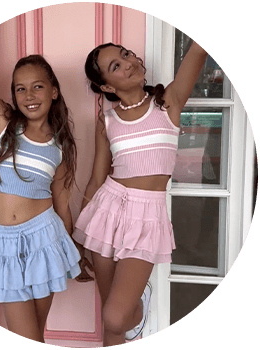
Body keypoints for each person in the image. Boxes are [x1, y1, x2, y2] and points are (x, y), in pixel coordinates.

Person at [73, 41, 208, 346]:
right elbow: (96, 181)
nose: (128, 62)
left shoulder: (168, 101)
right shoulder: (106, 121)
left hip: (147, 216)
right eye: (116, 66)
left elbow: (198, 52)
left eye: (125, 54)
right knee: (111, 325)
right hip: (107, 212)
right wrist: (78, 239)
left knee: (116, 316)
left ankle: (138, 307)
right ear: (106, 85)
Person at [0, 53, 92, 342]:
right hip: (2, 245)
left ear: (54, 91)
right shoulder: (2, 121)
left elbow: (62, 204)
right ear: (14, 95)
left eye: (38, 86)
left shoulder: (60, 146)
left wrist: (74, 253)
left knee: (34, 334)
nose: (29, 95)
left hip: (45, 239)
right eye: (20, 88)